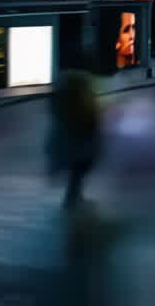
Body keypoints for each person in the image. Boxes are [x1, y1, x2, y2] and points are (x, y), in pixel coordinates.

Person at [46, 70, 101, 209]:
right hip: (78, 142)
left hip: (73, 141)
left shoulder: (64, 89)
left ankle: (73, 197)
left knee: (78, 169)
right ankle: (72, 198)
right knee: (80, 168)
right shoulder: (76, 89)